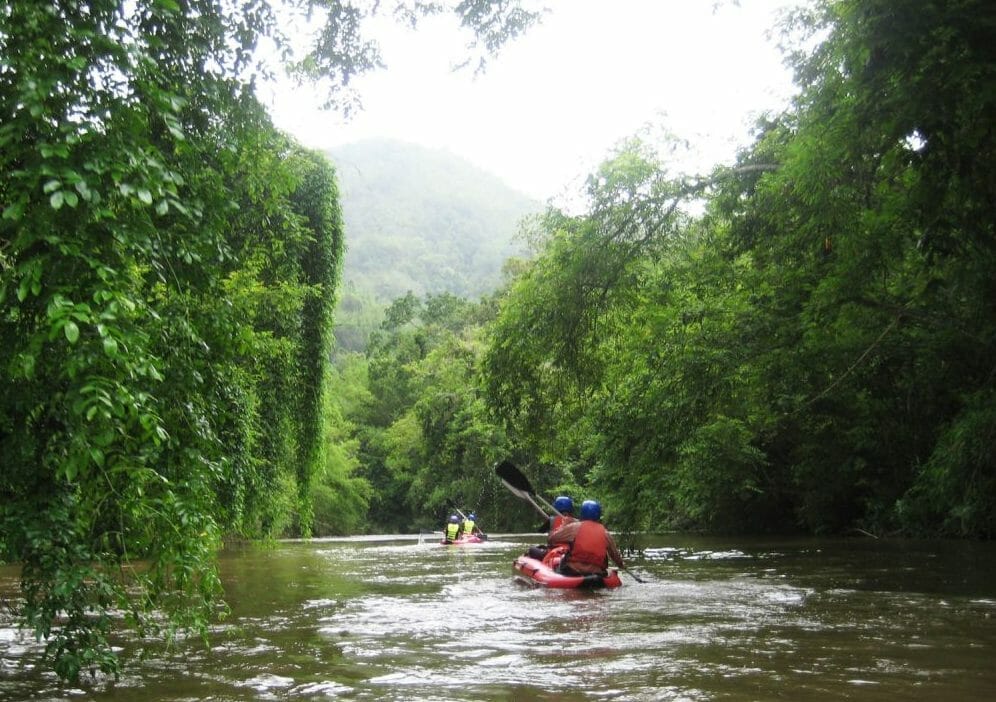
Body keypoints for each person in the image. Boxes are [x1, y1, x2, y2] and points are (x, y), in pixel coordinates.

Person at [547, 499, 624, 576]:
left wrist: (564, 525)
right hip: (596, 573)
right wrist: (621, 565)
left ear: (582, 514)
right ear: (598, 516)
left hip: (573, 570)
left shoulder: (574, 527)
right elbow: (615, 556)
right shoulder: (605, 533)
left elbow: (552, 538)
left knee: (562, 561)